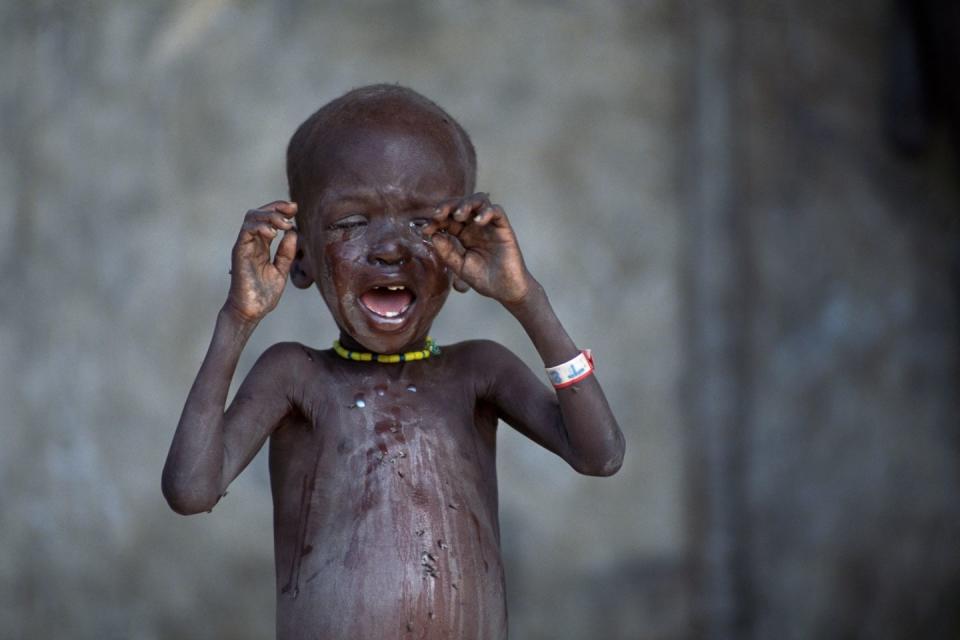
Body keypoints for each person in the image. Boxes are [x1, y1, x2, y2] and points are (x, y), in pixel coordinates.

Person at [161, 84, 625, 640]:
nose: (389, 249)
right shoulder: (294, 376)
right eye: (351, 223)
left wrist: (527, 300)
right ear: (300, 255)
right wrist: (237, 319)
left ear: (463, 254)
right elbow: (191, 491)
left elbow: (601, 455)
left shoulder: (479, 371)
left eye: (423, 224)